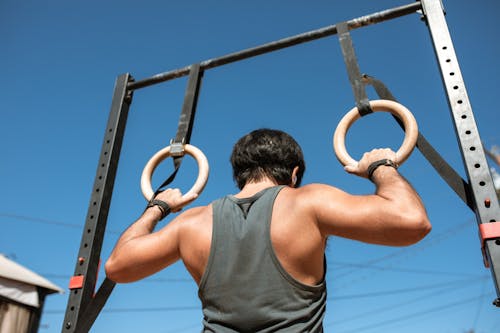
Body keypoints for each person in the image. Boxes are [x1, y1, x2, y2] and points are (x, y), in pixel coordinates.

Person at [105, 128, 431, 332]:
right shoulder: (307, 202)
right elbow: (411, 222)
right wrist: (381, 167)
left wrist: (158, 207)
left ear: (239, 175)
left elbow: (118, 267)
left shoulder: (191, 222)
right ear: (294, 173)